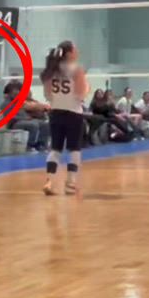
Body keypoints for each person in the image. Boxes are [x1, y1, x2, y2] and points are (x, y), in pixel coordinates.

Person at [41, 41, 89, 195]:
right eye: (75, 49)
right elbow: (81, 94)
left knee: (55, 149)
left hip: (56, 112)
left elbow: (47, 94)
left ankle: (49, 181)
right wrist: (87, 89)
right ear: (69, 53)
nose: (77, 52)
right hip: (73, 113)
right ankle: (70, 183)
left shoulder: (51, 71)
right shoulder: (77, 70)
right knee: (74, 149)